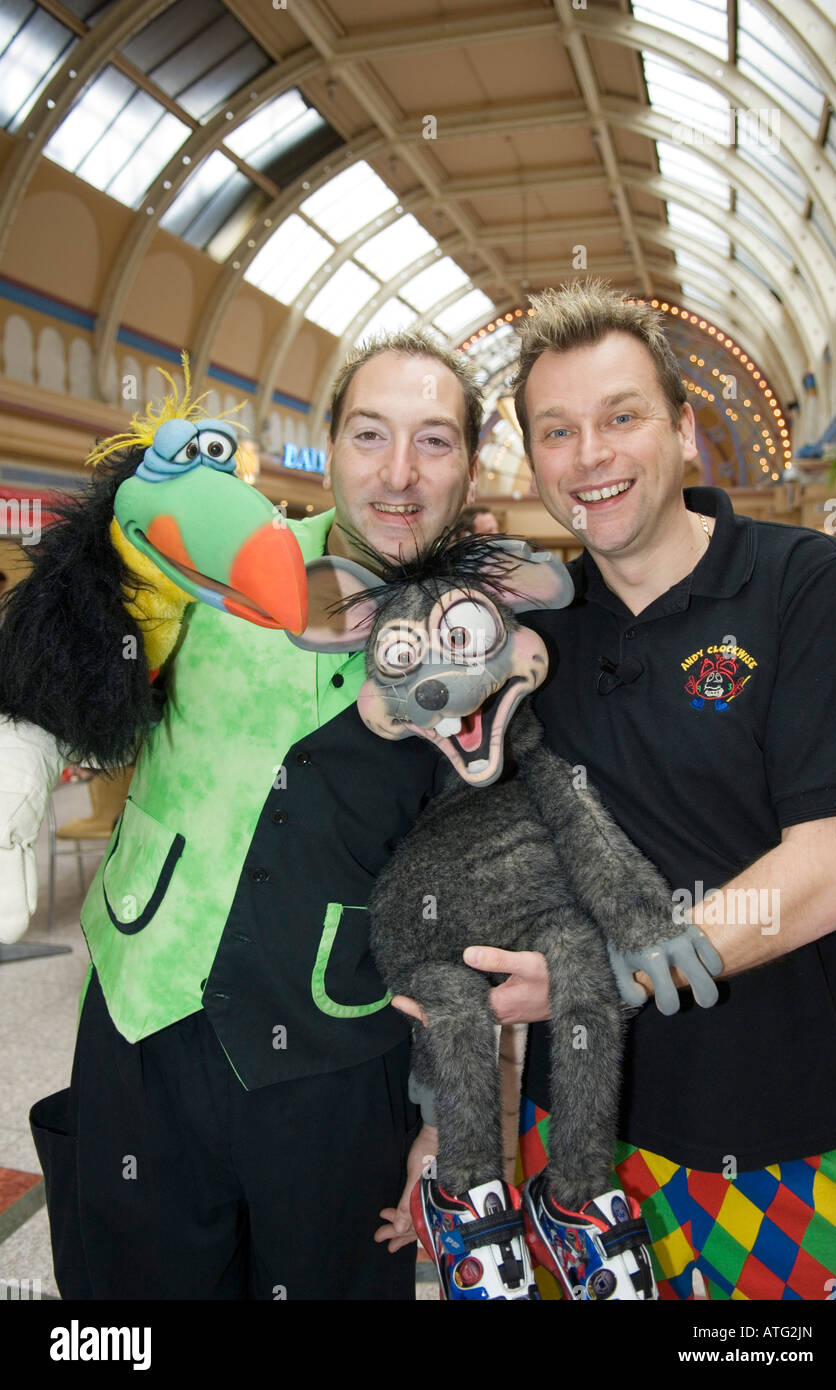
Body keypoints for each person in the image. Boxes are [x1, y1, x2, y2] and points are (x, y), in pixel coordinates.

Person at [388, 281, 836, 1301]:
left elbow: (833, 867)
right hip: (577, 1148)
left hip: (779, 1129)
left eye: (619, 416)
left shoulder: (802, 585)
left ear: (684, 432)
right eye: (555, 430)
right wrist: (448, 1116)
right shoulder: (532, 641)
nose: (588, 455)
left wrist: (597, 974)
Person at [10, 329, 481, 1301]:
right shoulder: (214, 565)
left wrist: (447, 1114)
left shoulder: (484, 643)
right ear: (327, 446)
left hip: (340, 1062)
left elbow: (471, 902)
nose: (398, 474)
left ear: (471, 468)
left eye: (434, 441)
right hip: (146, 1024)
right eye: (368, 435)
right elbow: (77, 677)